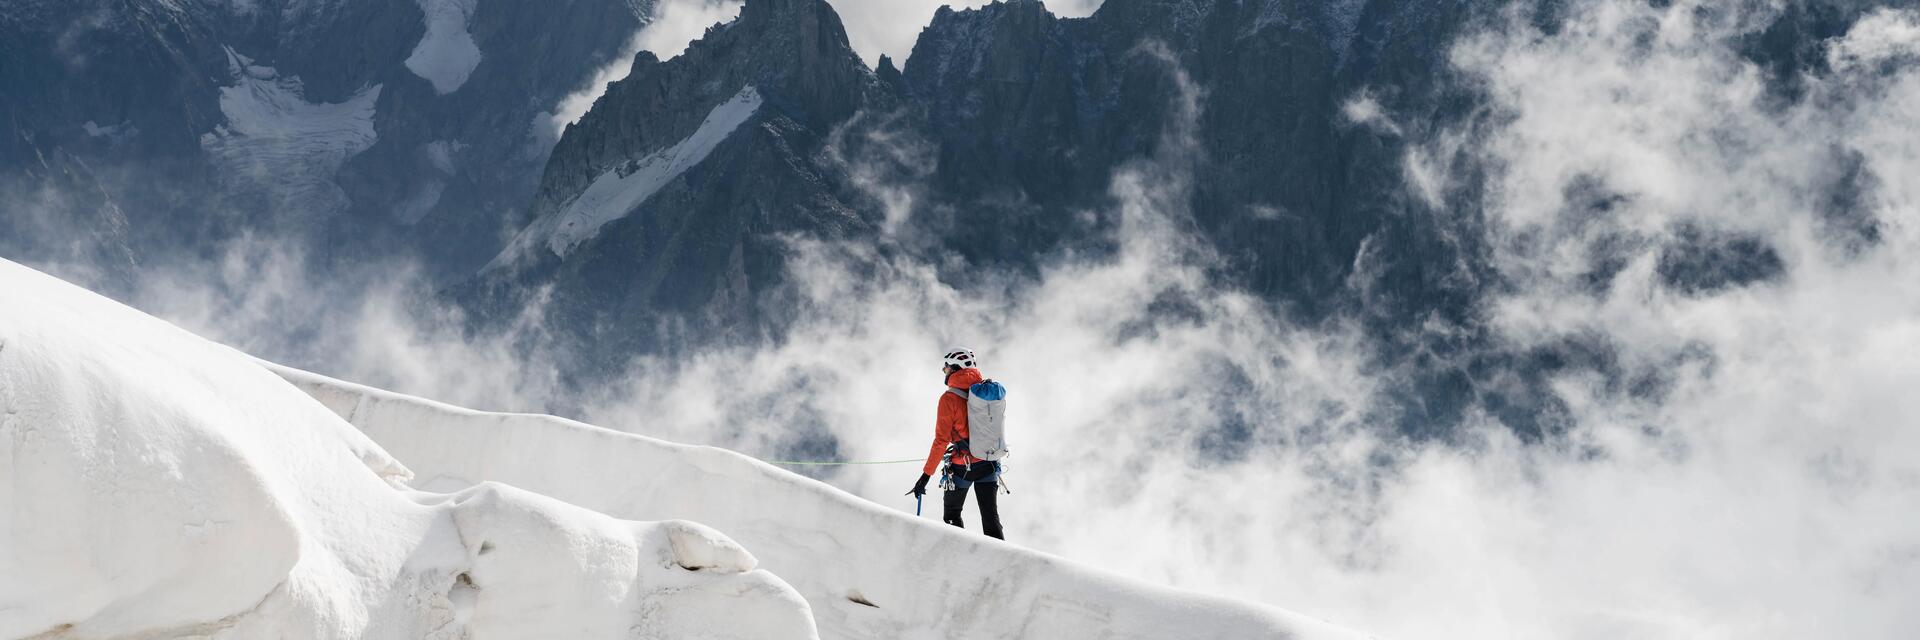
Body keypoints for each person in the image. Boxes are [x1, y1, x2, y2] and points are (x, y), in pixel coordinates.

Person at [906, 347, 1004, 539]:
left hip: (962, 468)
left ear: (954, 368)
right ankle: (1002, 565)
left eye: (946, 368)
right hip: (989, 461)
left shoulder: (949, 399)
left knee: (951, 516)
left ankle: (958, 559)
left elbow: (941, 440)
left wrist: (924, 478)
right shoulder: (985, 393)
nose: (944, 372)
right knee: (990, 519)